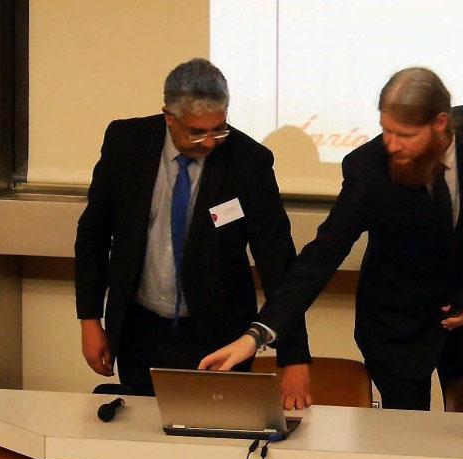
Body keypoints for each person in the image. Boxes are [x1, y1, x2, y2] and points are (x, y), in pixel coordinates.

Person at [200, 68, 463, 410]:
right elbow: (322, 255)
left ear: (440, 123)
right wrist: (257, 335)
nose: (392, 144)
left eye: (404, 134)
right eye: (386, 130)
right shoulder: (369, 169)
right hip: (397, 327)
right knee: (405, 441)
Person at [74, 58, 311, 406]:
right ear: (169, 116)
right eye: (197, 132)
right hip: (139, 330)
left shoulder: (249, 162)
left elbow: (278, 261)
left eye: (219, 129)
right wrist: (90, 319)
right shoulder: (126, 144)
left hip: (220, 336)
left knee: (215, 446)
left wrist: (293, 357)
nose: (211, 142)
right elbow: (93, 235)